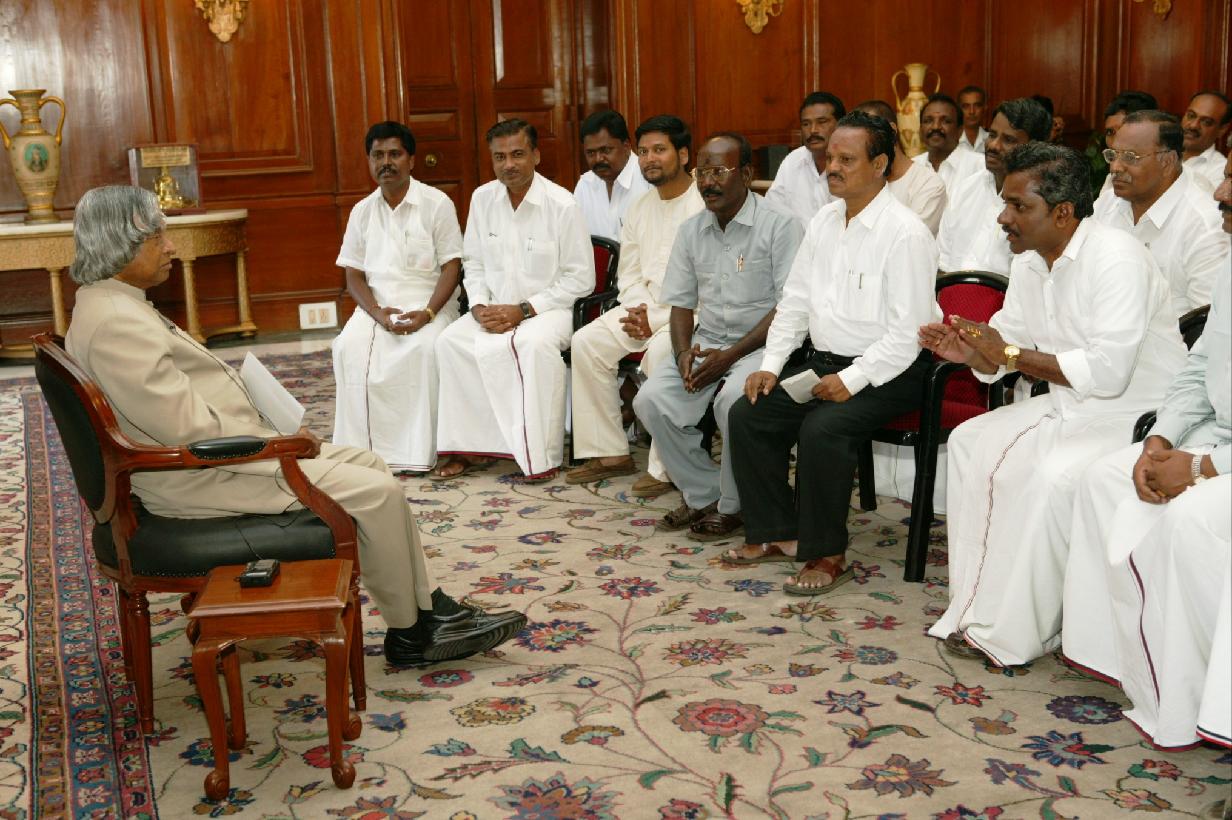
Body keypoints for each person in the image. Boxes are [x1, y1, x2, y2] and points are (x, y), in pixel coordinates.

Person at [63, 185, 526, 668]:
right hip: (196, 476)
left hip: (210, 460)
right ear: (120, 243)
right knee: (376, 493)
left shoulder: (112, 304)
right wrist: (278, 443)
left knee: (370, 463)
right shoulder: (116, 323)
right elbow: (188, 431)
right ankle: (412, 633)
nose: (171, 246)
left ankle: (430, 608)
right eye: (157, 237)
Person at [920, 143, 1187, 668]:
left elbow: (1107, 372)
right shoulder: (1030, 262)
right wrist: (972, 351)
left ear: (1063, 213)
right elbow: (1010, 344)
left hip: (1138, 415)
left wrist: (1007, 353)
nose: (1003, 218)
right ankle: (974, 607)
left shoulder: (1117, 258)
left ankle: (1018, 632)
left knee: (1050, 476)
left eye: (1019, 206)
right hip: (1070, 404)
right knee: (969, 441)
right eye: (1005, 203)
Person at [724, 111, 940, 594]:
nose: (832, 168)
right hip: (824, 363)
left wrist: (853, 379)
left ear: (880, 164)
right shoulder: (824, 220)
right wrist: (770, 366)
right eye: (830, 158)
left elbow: (907, 335)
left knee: (823, 428)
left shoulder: (906, 234)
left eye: (846, 159)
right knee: (750, 413)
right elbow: (795, 302)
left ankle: (827, 554)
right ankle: (778, 533)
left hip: (893, 371)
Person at [1062, 153, 1231, 750]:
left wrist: (1203, 467)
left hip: (1223, 456)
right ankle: (1119, 663)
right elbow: (1199, 370)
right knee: (1104, 477)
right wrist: (1160, 438)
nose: (1221, 193)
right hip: (1214, 436)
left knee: (1189, 516)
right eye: (1227, 177)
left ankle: (1200, 703)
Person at [634, 132, 802, 541]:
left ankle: (733, 506)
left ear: (745, 174)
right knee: (651, 400)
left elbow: (789, 308)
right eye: (702, 173)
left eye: (718, 172)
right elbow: (680, 304)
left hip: (764, 346)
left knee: (733, 402)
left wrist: (730, 358)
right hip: (708, 340)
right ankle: (705, 494)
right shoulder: (692, 230)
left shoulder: (781, 226)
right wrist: (681, 355)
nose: (707, 182)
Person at [433, 119, 592, 481]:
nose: (509, 164)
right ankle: (469, 449)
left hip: (550, 310)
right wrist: (478, 307)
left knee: (530, 346)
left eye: (518, 154)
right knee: (450, 342)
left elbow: (581, 278)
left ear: (536, 155)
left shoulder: (562, 204)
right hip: (493, 307)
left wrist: (523, 310)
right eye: (500, 157)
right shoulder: (482, 198)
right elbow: (473, 262)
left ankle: (539, 455)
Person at [566, 115, 704, 486]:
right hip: (643, 309)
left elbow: (707, 287)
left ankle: (666, 467)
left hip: (692, 317)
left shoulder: (705, 205)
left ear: (684, 154)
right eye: (643, 152)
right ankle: (609, 452)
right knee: (587, 342)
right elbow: (628, 274)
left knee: (662, 354)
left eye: (659, 150)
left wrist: (655, 320)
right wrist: (639, 310)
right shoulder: (640, 207)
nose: (649, 159)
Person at [331, 122, 462, 474]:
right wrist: (376, 312)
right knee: (347, 347)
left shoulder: (437, 204)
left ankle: (422, 451)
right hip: (378, 307)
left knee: (426, 349)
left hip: (431, 304)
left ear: (411, 160)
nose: (385, 163)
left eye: (394, 154)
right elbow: (353, 274)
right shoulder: (361, 211)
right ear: (369, 161)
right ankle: (362, 452)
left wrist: (428, 313)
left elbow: (452, 267)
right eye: (378, 156)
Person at [1093, 110, 1225, 316]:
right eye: (1113, 155)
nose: (1115, 168)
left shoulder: (1205, 226)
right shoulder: (1108, 202)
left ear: (1167, 162)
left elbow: (1204, 322)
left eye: (1129, 157)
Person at [936, 97, 1052, 274]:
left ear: (1034, 148)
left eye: (1008, 140)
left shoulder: (1042, 205)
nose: (993, 145)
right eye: (992, 135)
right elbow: (942, 262)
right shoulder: (965, 189)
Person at [854, 100, 947, 234]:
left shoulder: (928, 184)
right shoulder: (859, 182)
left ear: (891, 132)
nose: (859, 146)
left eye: (865, 136)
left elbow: (910, 239)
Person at [765, 92, 845, 230]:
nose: (813, 130)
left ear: (841, 125)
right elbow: (771, 213)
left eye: (822, 122)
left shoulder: (854, 164)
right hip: (797, 243)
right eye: (806, 124)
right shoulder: (793, 160)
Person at [573, 109, 652, 241]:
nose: (598, 159)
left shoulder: (649, 180)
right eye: (591, 153)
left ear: (626, 146)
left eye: (605, 150)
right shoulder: (585, 185)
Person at [914, 93, 984, 195]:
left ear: (960, 131)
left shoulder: (979, 167)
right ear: (920, 130)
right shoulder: (912, 167)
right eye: (928, 121)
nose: (936, 127)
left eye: (945, 121)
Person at [1181, 90, 1231, 193]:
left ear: (1222, 129)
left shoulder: (1222, 171)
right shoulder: (1158, 152)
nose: (1193, 125)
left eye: (1206, 122)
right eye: (1191, 116)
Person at [957, 85, 989, 153]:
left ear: (985, 109)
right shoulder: (949, 141)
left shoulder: (992, 141)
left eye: (977, 106)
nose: (972, 111)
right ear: (958, 110)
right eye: (966, 106)